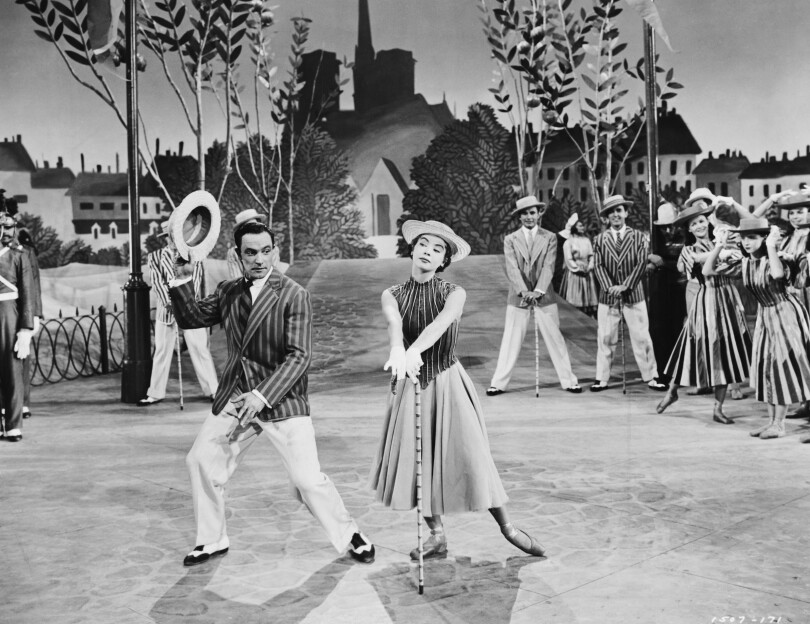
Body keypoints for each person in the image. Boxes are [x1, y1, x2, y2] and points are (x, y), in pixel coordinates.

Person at [169, 220, 375, 566]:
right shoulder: (228, 291)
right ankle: (212, 539)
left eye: (266, 251)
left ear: (275, 252)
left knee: (307, 481)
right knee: (200, 460)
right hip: (236, 396)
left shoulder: (294, 294)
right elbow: (190, 317)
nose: (260, 259)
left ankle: (350, 533)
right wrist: (182, 276)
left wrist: (261, 396)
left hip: (282, 399)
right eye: (251, 252)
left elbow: (300, 356)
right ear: (237, 255)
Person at [371, 219, 545, 560]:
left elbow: (440, 323)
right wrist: (397, 349)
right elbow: (394, 321)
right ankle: (436, 535)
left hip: (447, 380)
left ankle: (507, 527)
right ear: (413, 248)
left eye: (438, 249)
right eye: (424, 244)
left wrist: (413, 350)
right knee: (418, 461)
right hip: (412, 382)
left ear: (443, 261)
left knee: (473, 454)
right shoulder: (390, 294)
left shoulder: (455, 293)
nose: (428, 252)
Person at [705, 218, 810, 440]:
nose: (746, 242)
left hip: (785, 314)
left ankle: (779, 424)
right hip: (765, 316)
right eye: (743, 237)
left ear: (764, 238)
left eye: (752, 237)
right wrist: (719, 245)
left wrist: (772, 246)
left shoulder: (778, 259)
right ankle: (772, 421)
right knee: (767, 369)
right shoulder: (744, 263)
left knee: (782, 367)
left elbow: (778, 275)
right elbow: (708, 270)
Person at [655, 200, 751, 424]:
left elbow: (738, 263)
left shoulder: (723, 241)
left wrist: (724, 252)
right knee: (692, 348)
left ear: (707, 222)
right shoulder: (688, 250)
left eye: (701, 221)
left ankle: (718, 408)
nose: (699, 226)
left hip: (726, 300)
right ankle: (672, 391)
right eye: (694, 224)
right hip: (705, 300)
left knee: (724, 352)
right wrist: (721, 255)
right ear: (689, 229)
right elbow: (687, 268)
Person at [487, 195, 581, 396]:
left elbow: (549, 266)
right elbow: (512, 268)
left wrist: (537, 291)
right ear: (519, 217)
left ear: (539, 213)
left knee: (555, 339)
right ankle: (498, 383)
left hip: (543, 295)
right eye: (524, 214)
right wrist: (524, 292)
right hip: (518, 296)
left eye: (532, 212)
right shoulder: (510, 239)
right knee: (511, 339)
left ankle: (569, 380)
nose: (529, 217)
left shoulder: (550, 237)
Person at [137, 221, 219, 406]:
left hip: (191, 309)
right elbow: (158, 283)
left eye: (176, 235)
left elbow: (195, 283)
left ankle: (213, 391)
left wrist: (182, 302)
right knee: (162, 351)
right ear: (166, 238)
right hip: (166, 311)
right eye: (170, 236)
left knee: (199, 349)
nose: (173, 239)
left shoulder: (193, 257)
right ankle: (155, 393)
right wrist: (170, 302)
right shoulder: (155, 257)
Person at [590, 195, 666, 392]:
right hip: (608, 297)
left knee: (641, 336)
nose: (615, 215)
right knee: (606, 337)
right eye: (611, 212)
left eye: (619, 210)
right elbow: (598, 266)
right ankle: (602, 378)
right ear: (606, 217)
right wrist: (610, 287)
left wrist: (625, 286)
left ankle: (651, 376)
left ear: (626, 212)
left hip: (633, 294)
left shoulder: (639, 237)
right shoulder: (599, 239)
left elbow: (641, 263)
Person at [0, 212, 34, 442]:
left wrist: (25, 329)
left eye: (8, 227)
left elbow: (28, 294)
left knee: (12, 370)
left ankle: (13, 425)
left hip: (8, 313)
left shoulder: (18, 255)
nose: (5, 231)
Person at [7, 212, 43, 420]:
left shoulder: (25, 252)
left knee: (20, 357)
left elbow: (33, 286)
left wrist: (34, 315)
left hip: (19, 310)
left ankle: (23, 402)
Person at [559, 213, 597, 317]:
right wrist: (577, 268)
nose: (582, 227)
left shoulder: (586, 240)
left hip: (587, 272)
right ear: (574, 227)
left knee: (588, 299)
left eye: (582, 225)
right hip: (575, 273)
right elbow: (568, 259)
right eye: (580, 225)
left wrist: (589, 266)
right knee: (575, 297)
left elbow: (591, 255)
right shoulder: (568, 242)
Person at [227, 208, 268, 280]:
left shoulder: (270, 249)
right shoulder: (233, 253)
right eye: (248, 229)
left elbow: (274, 277)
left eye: (256, 226)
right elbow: (237, 281)